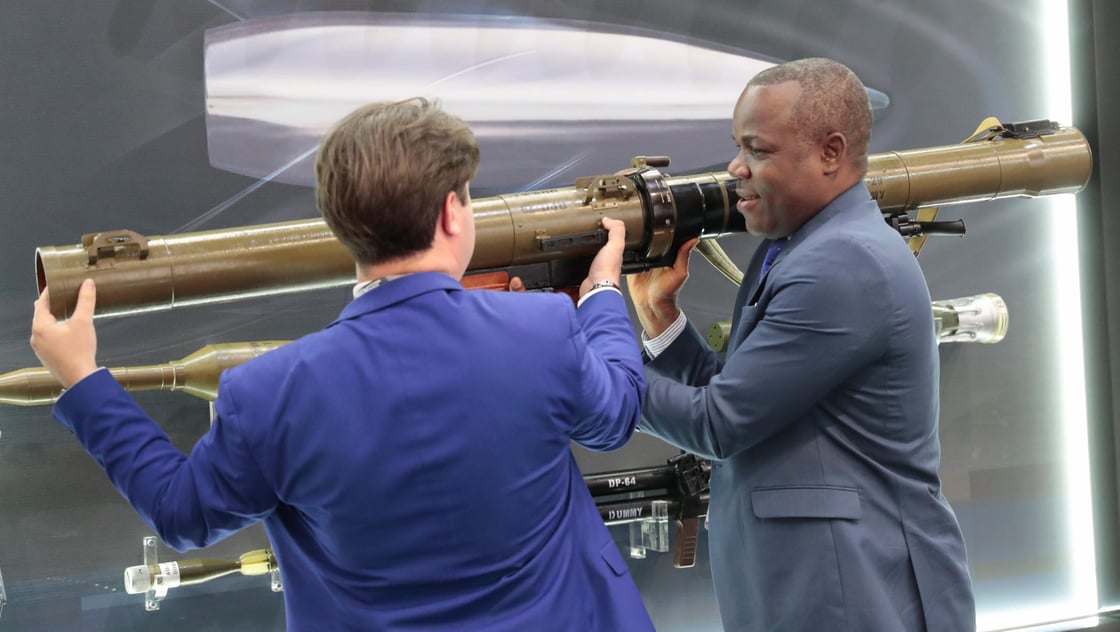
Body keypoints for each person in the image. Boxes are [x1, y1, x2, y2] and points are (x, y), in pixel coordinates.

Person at [30, 98, 655, 631]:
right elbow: (616, 414)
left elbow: (180, 512)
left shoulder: (267, 395)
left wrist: (85, 381)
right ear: (449, 213)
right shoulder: (542, 332)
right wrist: (601, 295)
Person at [625, 58, 976, 631]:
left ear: (831, 153)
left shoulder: (843, 263)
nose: (736, 167)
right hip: (810, 587)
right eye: (739, 147)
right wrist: (659, 314)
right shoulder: (796, 249)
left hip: (852, 593)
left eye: (758, 150)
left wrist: (580, 371)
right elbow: (743, 399)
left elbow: (720, 423)